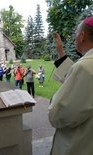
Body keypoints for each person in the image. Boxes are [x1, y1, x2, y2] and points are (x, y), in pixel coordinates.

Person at [49, 16, 93, 155]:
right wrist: (60, 51)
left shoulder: (84, 67)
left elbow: (60, 114)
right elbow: (78, 80)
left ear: (82, 36)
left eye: (75, 35)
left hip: (80, 144)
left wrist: (54, 102)